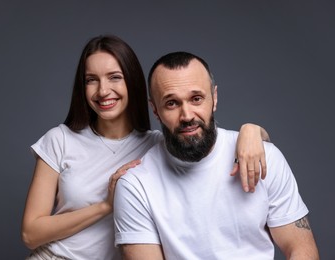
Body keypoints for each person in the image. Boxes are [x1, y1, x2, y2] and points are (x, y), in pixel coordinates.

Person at [21, 35, 270, 260]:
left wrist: (250, 130)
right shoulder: (60, 139)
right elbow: (30, 233)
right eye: (91, 80)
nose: (103, 90)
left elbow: (232, 142)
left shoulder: (156, 145)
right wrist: (105, 206)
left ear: (133, 81)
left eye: (114, 77)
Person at [114, 51, 319, 259]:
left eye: (196, 99)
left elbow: (301, 248)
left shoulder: (265, 158)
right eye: (172, 103)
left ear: (214, 98)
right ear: (155, 110)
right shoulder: (135, 186)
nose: (187, 116)